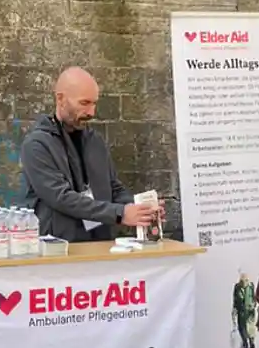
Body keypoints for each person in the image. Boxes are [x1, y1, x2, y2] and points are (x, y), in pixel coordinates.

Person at [20, 67, 161, 242]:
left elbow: (114, 188)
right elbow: (61, 197)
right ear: (60, 99)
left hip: (100, 244)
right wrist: (120, 214)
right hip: (59, 248)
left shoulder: (95, 141)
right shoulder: (36, 145)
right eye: (84, 103)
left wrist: (140, 209)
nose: (91, 112)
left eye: (94, 103)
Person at [232, 274, 257, 348]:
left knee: (251, 337)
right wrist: (234, 313)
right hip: (241, 316)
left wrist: (253, 306)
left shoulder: (251, 286)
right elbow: (235, 301)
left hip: (250, 316)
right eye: (242, 281)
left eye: (246, 281)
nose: (244, 283)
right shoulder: (237, 288)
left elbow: (254, 299)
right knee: (244, 337)